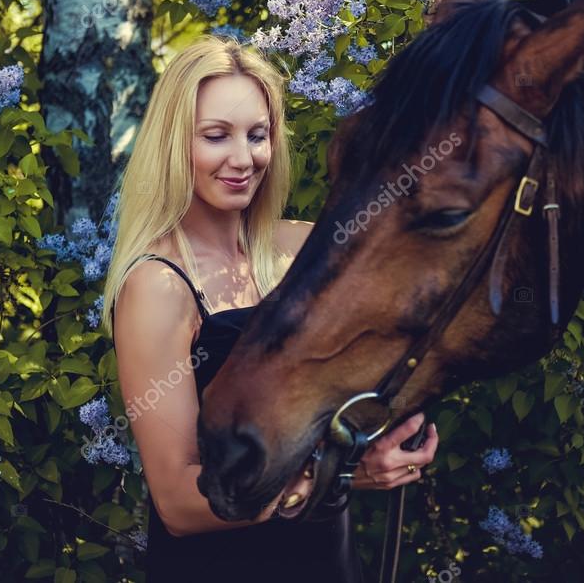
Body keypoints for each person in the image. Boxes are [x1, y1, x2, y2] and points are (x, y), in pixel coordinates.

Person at [100, 35, 439, 581]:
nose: (243, 158)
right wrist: (337, 477)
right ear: (173, 145)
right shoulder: (157, 286)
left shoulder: (306, 249)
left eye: (258, 135)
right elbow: (178, 505)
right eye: (216, 136)